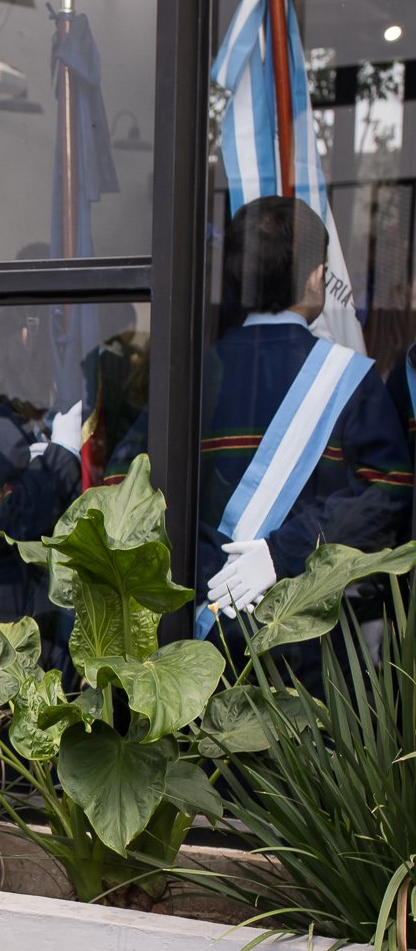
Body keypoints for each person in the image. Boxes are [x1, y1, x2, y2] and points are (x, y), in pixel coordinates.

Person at [198, 195, 411, 633]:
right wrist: (287, 551)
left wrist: (208, 566)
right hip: (314, 642)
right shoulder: (353, 380)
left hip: (203, 628)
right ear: (316, 277)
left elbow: (134, 488)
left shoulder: (192, 378)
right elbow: (390, 493)